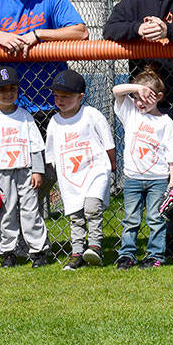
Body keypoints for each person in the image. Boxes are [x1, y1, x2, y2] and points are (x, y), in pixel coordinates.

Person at [112, 65, 173, 269]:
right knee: (131, 219)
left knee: (155, 218)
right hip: (133, 178)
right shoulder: (131, 113)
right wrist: (136, 87)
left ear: (159, 96)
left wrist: (172, 181)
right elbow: (116, 91)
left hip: (158, 178)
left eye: (146, 97)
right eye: (136, 96)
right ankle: (127, 254)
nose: (139, 102)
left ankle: (155, 255)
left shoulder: (165, 122)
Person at [0, 65, 49, 268]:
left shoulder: (25, 116)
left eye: (12, 89)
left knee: (31, 210)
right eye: (2, 90)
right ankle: (8, 251)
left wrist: (37, 170)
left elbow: (35, 146)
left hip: (26, 171)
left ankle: (38, 250)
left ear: (18, 90)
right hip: (1, 173)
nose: (8, 94)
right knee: (6, 211)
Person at [46, 68, 114, 270]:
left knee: (93, 209)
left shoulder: (91, 115)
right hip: (71, 177)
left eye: (66, 96)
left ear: (80, 97)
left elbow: (108, 143)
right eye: (57, 96)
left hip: (94, 171)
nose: (60, 101)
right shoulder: (54, 122)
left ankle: (95, 246)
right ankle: (77, 252)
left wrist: (112, 166)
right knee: (75, 215)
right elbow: (50, 154)